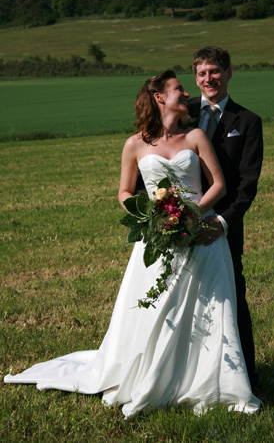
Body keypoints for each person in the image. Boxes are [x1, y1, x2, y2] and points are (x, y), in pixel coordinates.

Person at [4, 71, 260, 417]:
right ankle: (148, 372)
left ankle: (204, 380)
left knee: (208, 309)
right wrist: (152, 216)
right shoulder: (134, 144)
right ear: (159, 97)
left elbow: (219, 185)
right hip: (157, 237)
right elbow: (125, 192)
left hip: (199, 236)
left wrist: (190, 214)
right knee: (155, 311)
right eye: (178, 89)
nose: (187, 93)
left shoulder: (196, 135)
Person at [187, 46, 264, 398]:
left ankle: (246, 375)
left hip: (223, 225)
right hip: (179, 223)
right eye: (202, 73)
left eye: (215, 71)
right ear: (195, 77)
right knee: (184, 297)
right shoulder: (180, 113)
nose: (209, 79)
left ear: (229, 73)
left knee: (232, 295)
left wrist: (222, 221)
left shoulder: (247, 121)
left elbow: (247, 185)